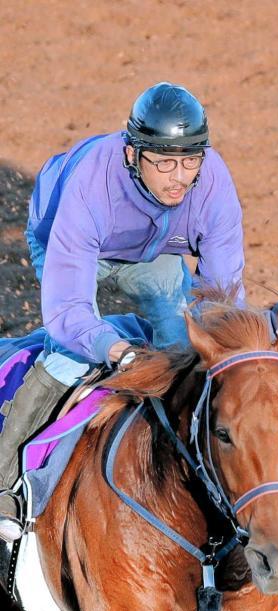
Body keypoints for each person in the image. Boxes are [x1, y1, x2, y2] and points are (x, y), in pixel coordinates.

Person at [0, 82, 244, 541]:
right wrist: (117, 351)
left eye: (190, 161)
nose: (180, 177)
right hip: (70, 240)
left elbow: (223, 298)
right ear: (133, 155)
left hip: (152, 258)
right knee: (70, 354)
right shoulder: (90, 185)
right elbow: (68, 310)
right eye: (164, 162)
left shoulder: (212, 185)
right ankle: (6, 481)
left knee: (184, 350)